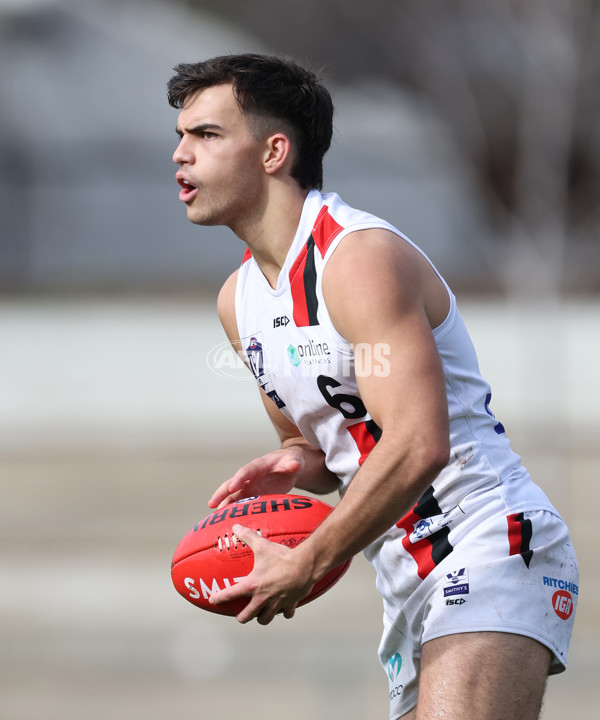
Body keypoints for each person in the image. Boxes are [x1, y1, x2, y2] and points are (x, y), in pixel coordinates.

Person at [167, 53, 578, 720]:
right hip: (403, 576)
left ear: (275, 151)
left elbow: (419, 444)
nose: (181, 155)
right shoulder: (237, 302)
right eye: (180, 137)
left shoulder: (358, 258)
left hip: (488, 540)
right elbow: (325, 451)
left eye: (206, 135)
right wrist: (295, 462)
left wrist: (308, 561)